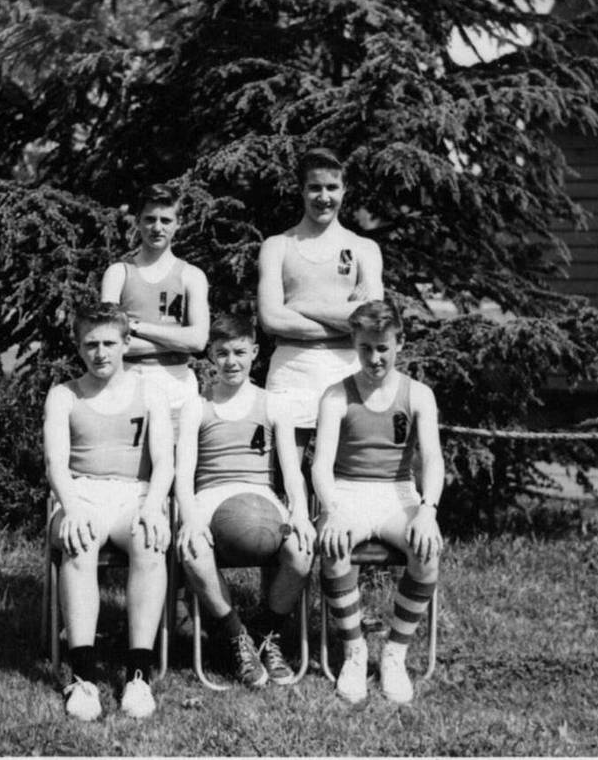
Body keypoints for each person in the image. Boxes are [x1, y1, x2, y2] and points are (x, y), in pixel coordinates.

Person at [42, 302, 174, 721]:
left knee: (149, 541)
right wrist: (72, 507)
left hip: (133, 493)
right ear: (78, 347)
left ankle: (138, 675)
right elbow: (55, 464)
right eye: (91, 344)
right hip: (81, 493)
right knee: (79, 542)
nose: (100, 353)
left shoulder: (150, 391)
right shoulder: (64, 394)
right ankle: (83, 676)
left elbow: (164, 461)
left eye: (109, 343)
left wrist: (153, 506)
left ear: (126, 343)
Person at [311, 300, 445, 705]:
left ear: (399, 343)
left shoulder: (418, 394)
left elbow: (433, 458)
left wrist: (427, 510)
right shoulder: (337, 394)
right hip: (348, 491)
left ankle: (394, 653)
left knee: (427, 549)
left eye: (383, 347)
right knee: (333, 546)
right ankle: (354, 650)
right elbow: (321, 465)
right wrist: (332, 510)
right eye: (365, 348)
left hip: (396, 491)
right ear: (354, 344)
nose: (374, 358)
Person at [173, 315, 317, 687]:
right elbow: (183, 475)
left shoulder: (273, 404)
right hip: (210, 495)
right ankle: (236, 635)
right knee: (192, 549)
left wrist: (301, 513)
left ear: (254, 351)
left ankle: (266, 633)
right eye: (222, 353)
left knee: (302, 550)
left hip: (261, 494)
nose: (231, 361)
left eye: (239, 352)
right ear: (210, 355)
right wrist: (191, 518)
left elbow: (292, 472)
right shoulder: (197, 406)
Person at [257, 148, 384, 458]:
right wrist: (347, 322)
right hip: (292, 368)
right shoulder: (277, 246)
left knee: (349, 471)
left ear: (344, 190)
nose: (324, 197)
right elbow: (272, 319)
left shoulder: (364, 248)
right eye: (315, 187)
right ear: (301, 190)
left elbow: (371, 320)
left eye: (332, 187)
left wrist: (300, 306)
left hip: (348, 368)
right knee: (285, 471)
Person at [102, 184, 209, 430]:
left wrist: (135, 327)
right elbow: (108, 341)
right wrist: (176, 341)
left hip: (176, 382)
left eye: (166, 220)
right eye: (150, 219)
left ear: (178, 223)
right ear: (138, 221)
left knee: (176, 452)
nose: (157, 228)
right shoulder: (118, 273)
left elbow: (198, 341)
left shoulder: (191, 276)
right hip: (128, 379)